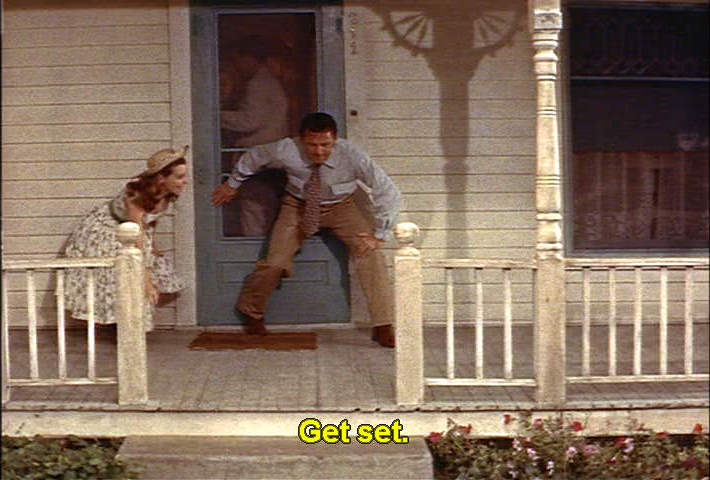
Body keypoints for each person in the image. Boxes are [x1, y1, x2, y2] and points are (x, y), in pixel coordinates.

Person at [212, 113, 402, 347]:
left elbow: (387, 191)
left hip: (342, 207)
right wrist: (233, 183)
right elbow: (255, 156)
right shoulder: (285, 148)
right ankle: (251, 310)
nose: (319, 151)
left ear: (335, 140)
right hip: (297, 206)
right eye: (312, 145)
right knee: (275, 263)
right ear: (302, 140)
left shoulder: (352, 155)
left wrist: (380, 234)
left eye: (325, 145)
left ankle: (383, 324)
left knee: (370, 255)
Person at [63, 146, 189, 331]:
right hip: (106, 231)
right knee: (129, 271)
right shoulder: (137, 195)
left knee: (151, 263)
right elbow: (135, 231)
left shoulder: (168, 194)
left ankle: (132, 328)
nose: (184, 182)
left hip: (131, 230)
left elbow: (149, 222)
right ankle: (127, 330)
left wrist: (152, 245)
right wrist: (145, 279)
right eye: (179, 177)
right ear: (162, 178)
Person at [220, 36, 290, 236]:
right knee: (263, 211)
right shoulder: (267, 81)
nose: (237, 66)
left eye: (238, 60)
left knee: (254, 212)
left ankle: (253, 255)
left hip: (260, 161)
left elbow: (251, 120)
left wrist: (215, 115)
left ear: (249, 58)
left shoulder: (259, 84)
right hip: (269, 159)